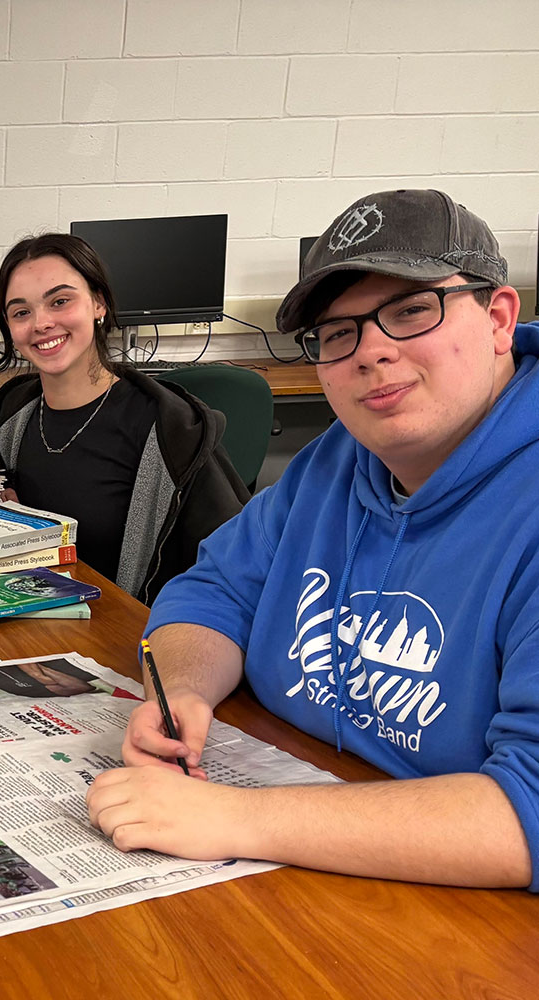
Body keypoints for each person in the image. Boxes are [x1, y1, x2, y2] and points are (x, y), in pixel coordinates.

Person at [88, 189, 539, 890]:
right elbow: (212, 593)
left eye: (412, 309)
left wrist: (235, 819)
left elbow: (528, 813)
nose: (371, 352)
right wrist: (182, 698)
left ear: (499, 318)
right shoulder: (335, 459)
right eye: (338, 333)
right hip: (303, 871)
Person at [0, 233, 248, 602]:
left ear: (98, 303)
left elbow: (232, 565)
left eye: (60, 301)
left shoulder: (166, 427)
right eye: (21, 312)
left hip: (126, 632)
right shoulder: (11, 410)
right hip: (21, 615)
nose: (41, 323)